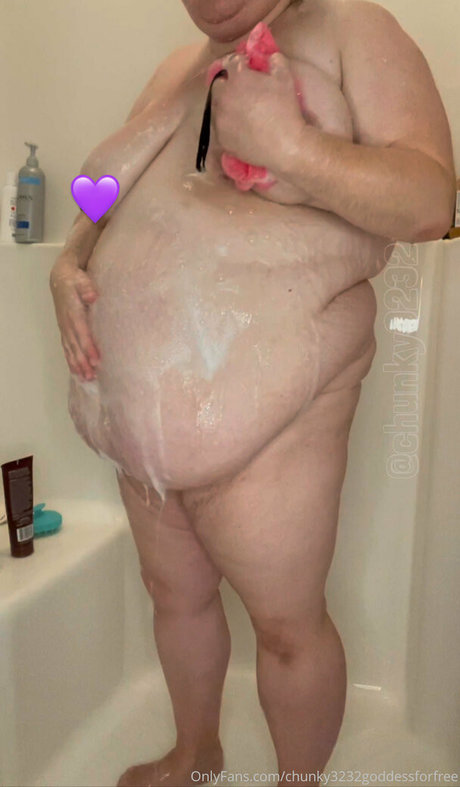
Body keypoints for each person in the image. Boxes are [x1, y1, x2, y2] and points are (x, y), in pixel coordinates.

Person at [49, 1, 455, 785]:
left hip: (277, 426)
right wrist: (69, 258)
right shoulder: (176, 70)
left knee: (287, 629)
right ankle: (195, 753)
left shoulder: (351, 28)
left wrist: (294, 149)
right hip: (138, 425)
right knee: (174, 596)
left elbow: (430, 201)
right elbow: (102, 189)